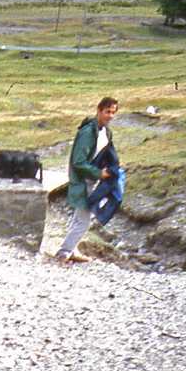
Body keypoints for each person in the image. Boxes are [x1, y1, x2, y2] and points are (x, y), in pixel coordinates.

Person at [56, 96, 119, 262]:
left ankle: (71, 250)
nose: (110, 116)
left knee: (79, 217)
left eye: (113, 112)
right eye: (107, 112)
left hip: (92, 178)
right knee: (84, 220)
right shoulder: (87, 132)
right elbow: (78, 162)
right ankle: (64, 252)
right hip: (83, 179)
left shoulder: (105, 131)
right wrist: (99, 174)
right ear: (99, 110)